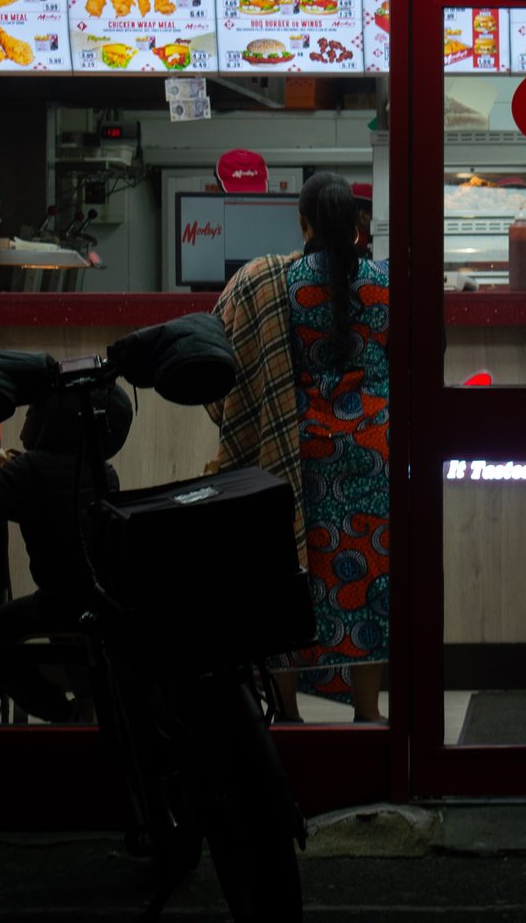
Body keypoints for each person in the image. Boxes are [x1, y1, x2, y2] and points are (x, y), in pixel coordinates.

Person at [213, 171, 390, 722]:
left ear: (304, 221)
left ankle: (288, 713)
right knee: (367, 579)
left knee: (291, 578)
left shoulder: (277, 287)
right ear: (357, 224)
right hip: (374, 453)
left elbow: (234, 356)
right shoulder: (385, 285)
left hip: (298, 454)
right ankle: (367, 714)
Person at [0, 382, 133, 722]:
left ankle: (59, 711)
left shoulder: (30, 473)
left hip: (58, 603)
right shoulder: (103, 472)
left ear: (53, 419)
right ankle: (87, 705)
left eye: (31, 412)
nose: (25, 421)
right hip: (100, 602)